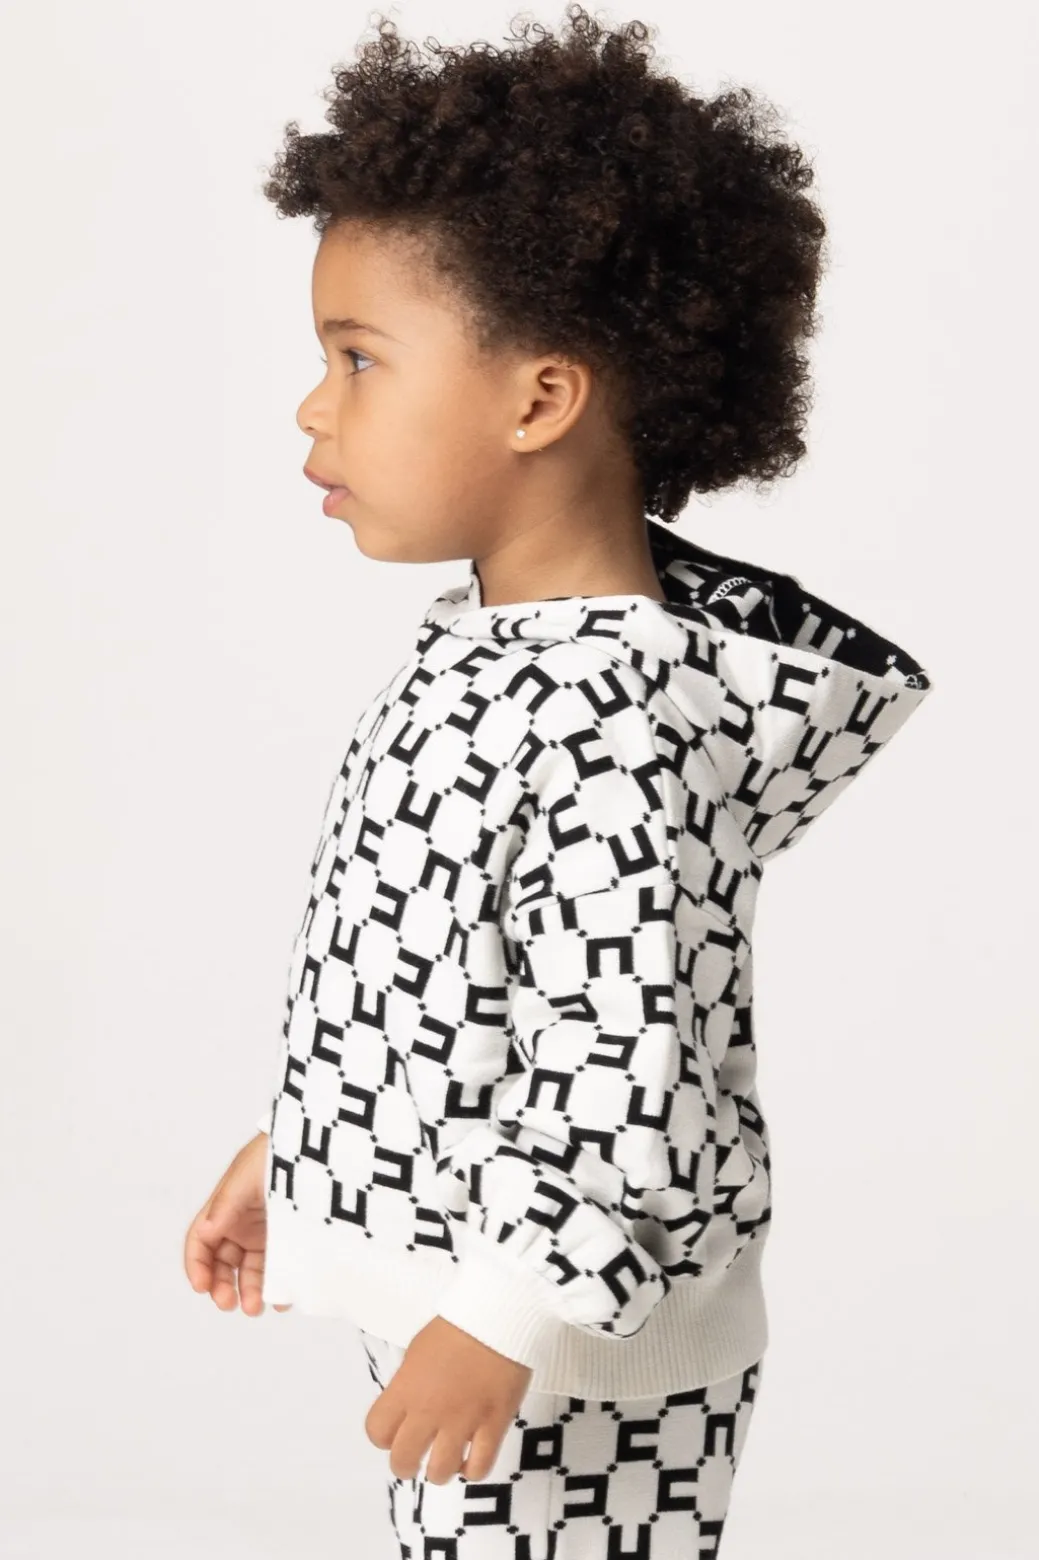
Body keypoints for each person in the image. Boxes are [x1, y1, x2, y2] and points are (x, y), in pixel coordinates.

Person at [183, 7, 935, 1554]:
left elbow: (623, 1055)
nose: (315, 406)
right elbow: (450, 976)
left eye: (359, 359)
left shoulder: (612, 720)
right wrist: (311, 1151)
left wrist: (508, 1307)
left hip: (567, 1361)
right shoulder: (495, 658)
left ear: (537, 400)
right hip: (490, 1315)